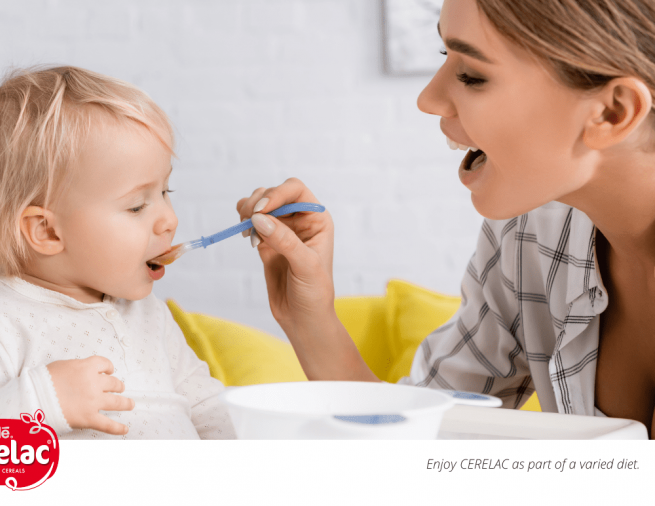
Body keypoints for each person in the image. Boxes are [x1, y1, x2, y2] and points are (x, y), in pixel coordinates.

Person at [237, 0, 655, 439]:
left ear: (612, 112)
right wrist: (311, 318)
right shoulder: (530, 233)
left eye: (472, 75)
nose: (427, 99)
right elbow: (418, 438)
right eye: (444, 56)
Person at [0, 66, 236, 440]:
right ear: (47, 231)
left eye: (166, 193)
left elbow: (208, 407)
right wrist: (42, 398)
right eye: (137, 206)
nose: (169, 219)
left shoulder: (150, 315)